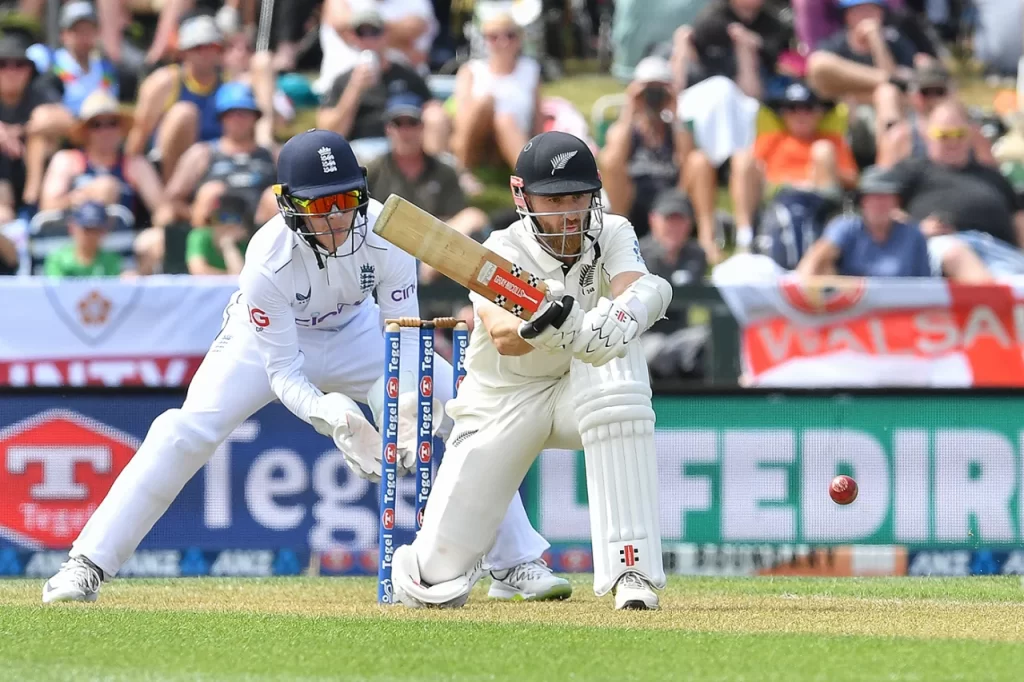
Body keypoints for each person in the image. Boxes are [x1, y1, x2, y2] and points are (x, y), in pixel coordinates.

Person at [42, 129, 569, 605]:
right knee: (183, 430)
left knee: (459, 412)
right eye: (320, 206)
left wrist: (407, 411)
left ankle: (514, 563)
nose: (337, 217)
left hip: (361, 334)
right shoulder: (266, 259)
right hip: (263, 342)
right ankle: (86, 564)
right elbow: (285, 374)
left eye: (346, 201)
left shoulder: (387, 233)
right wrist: (333, 416)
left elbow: (403, 336)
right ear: (287, 205)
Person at [389, 131, 672, 611]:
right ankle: (499, 568)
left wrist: (619, 318)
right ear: (523, 195)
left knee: (622, 365)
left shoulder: (613, 232)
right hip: (500, 403)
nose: (566, 211)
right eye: (553, 198)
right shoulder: (501, 249)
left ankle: (632, 571)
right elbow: (502, 334)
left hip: (577, 391)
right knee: (433, 583)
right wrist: (544, 327)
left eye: (577, 197)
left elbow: (634, 287)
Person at [796, 165, 930, 277]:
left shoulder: (913, 235)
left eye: (886, 197)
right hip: (851, 306)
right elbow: (812, 262)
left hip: (901, 305)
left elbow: (926, 285)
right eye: (873, 196)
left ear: (897, 202)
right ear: (862, 201)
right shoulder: (846, 227)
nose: (879, 203)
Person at [42, 201, 122, 277]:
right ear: (72, 228)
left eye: (96, 229)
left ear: (104, 231)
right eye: (86, 229)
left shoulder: (112, 261)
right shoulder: (57, 261)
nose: (91, 235)